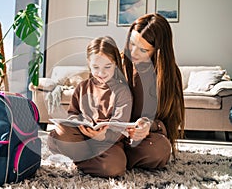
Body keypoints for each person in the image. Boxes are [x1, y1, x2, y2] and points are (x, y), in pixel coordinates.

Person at [47, 36, 133, 177]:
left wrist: (102, 135)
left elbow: (120, 125)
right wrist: (78, 123)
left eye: (107, 67)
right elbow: (73, 112)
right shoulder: (82, 87)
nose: (101, 73)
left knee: (113, 167)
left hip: (107, 143)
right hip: (82, 138)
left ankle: (79, 162)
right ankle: (87, 159)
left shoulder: (122, 91)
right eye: (96, 67)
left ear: (116, 64)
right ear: (89, 64)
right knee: (58, 134)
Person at [122, 13, 185, 169]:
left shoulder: (170, 75)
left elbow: (170, 122)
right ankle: (112, 156)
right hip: (113, 133)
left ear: (158, 51)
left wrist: (148, 126)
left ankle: (111, 157)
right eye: (132, 44)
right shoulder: (118, 62)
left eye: (143, 50)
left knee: (160, 150)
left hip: (144, 140)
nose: (134, 53)